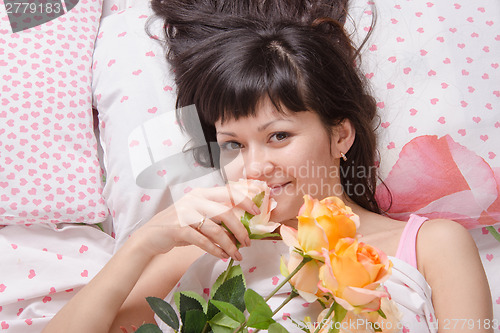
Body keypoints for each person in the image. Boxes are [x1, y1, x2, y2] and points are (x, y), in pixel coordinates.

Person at [43, 1, 493, 332]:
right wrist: (142, 243)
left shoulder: (434, 245)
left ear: (340, 135)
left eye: (279, 136)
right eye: (234, 144)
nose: (255, 166)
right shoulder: (206, 250)